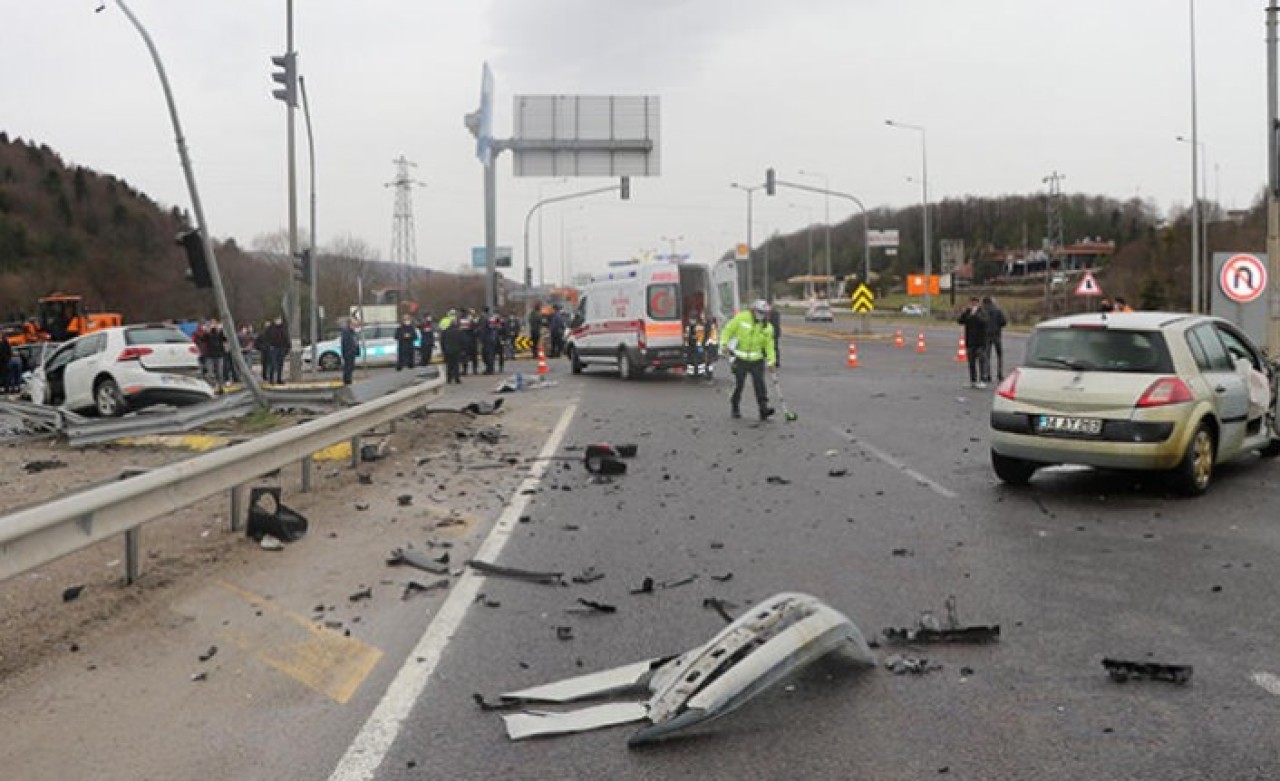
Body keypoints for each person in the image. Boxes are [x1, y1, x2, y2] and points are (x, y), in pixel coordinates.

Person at [720, 299, 777, 420]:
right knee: (739, 384)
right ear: (754, 311)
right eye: (761, 312)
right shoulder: (741, 318)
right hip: (740, 358)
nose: (763, 316)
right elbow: (728, 330)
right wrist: (724, 344)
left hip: (757, 360)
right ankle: (735, 406)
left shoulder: (767, 327)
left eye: (765, 313)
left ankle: (763, 408)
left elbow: (769, 345)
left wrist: (771, 361)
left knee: (760, 384)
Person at [958, 296, 990, 389]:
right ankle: (973, 380)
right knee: (971, 361)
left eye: (975, 302)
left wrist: (975, 315)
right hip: (970, 340)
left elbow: (985, 322)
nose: (973, 304)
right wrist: (965, 313)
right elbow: (960, 321)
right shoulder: (968, 312)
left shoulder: (982, 312)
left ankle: (982, 380)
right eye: (972, 302)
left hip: (980, 341)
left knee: (981, 361)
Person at [980, 295, 1008, 382]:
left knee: (987, 355)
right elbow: (1004, 322)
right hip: (997, 335)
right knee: (999, 355)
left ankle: (987, 374)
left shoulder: (982, 311)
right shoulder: (998, 310)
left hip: (986, 335)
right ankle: (999, 374)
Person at [440, 316, 464, 384]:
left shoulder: (445, 331)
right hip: (457, 350)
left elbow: (442, 341)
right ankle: (457, 379)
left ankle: (449, 379)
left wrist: (443, 350)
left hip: (448, 350)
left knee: (449, 365)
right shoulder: (458, 331)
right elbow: (462, 341)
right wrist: (462, 349)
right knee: (456, 365)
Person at [340, 318, 361, 386]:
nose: (355, 326)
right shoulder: (346, 332)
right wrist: (348, 352)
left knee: (351, 367)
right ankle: (347, 381)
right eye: (354, 324)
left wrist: (357, 350)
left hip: (352, 352)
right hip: (348, 353)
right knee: (348, 367)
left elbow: (355, 341)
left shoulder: (352, 331)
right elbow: (346, 343)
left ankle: (349, 380)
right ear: (350, 324)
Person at [767, 302, 782, 368]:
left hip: (772, 332)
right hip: (775, 332)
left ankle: (775, 361)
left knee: (773, 347)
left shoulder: (772, 313)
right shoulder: (775, 312)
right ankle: (775, 361)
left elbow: (774, 324)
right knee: (774, 347)